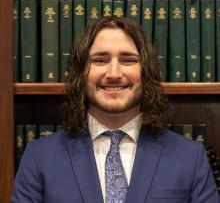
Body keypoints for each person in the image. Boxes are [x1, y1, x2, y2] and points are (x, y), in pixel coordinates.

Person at [11, 16, 220, 203]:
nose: (113, 73)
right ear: (80, 73)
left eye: (128, 60)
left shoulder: (191, 157)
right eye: (100, 60)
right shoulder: (39, 157)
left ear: (146, 71)